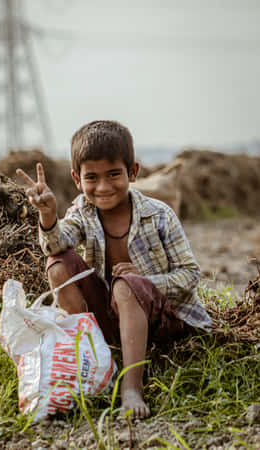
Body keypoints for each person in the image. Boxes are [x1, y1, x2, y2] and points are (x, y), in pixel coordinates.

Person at [17, 120, 211, 419]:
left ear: (132, 172)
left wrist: (143, 280)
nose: (104, 187)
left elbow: (190, 274)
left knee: (124, 284)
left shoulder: (159, 215)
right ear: (77, 180)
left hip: (161, 320)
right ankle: (94, 353)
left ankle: (131, 387)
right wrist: (48, 215)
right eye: (92, 177)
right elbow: (57, 244)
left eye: (113, 175)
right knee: (58, 265)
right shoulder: (81, 211)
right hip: (110, 316)